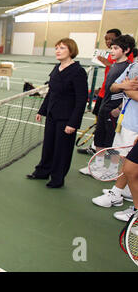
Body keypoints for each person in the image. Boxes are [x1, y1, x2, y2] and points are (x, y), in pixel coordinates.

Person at [26, 38, 88, 188]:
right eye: (57, 48)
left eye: (62, 48)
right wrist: (42, 110)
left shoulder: (78, 72)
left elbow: (81, 100)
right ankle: (42, 171)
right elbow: (51, 92)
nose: (58, 51)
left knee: (62, 150)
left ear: (71, 51)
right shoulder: (57, 68)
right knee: (48, 145)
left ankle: (57, 178)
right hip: (52, 115)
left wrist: (73, 123)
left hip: (66, 119)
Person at [79, 35, 136, 177]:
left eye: (116, 48)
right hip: (105, 107)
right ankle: (98, 166)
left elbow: (128, 93)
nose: (112, 51)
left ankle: (112, 170)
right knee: (99, 138)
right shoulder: (115, 66)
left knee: (112, 143)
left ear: (127, 50)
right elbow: (112, 87)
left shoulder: (128, 68)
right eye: (111, 48)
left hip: (114, 111)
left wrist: (117, 109)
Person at [91, 61, 138, 221]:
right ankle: (122, 192)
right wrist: (126, 87)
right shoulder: (133, 65)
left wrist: (127, 89)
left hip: (135, 126)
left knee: (130, 165)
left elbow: (132, 92)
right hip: (125, 121)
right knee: (125, 159)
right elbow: (113, 87)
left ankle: (117, 193)